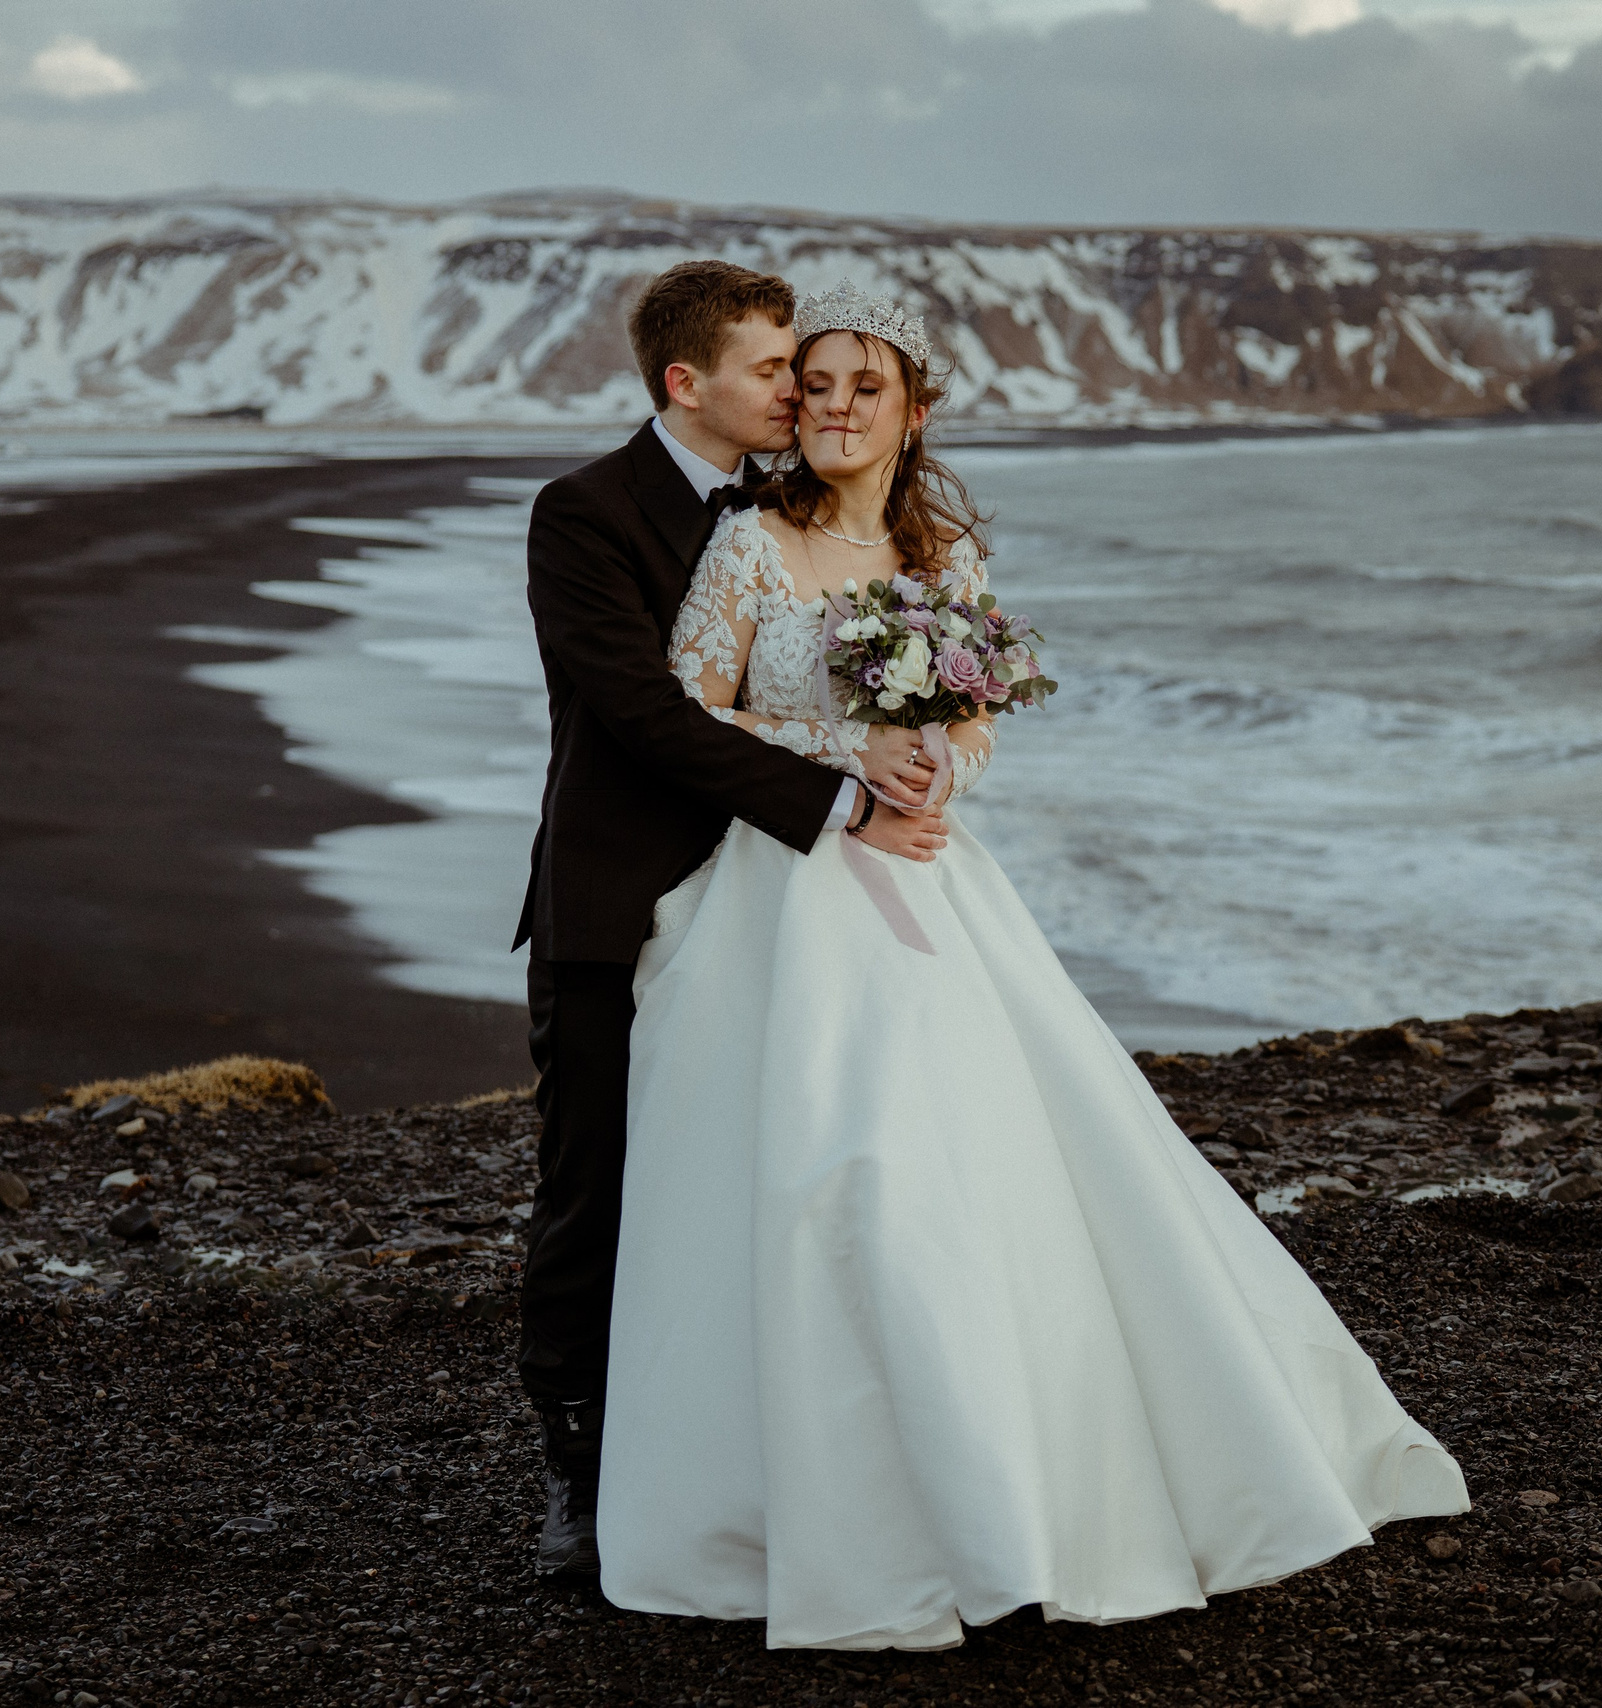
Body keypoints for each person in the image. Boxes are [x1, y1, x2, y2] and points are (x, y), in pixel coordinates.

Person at [595, 283, 1471, 1650]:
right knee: (841, 1168)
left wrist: (941, 764)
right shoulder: (749, 547)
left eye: (859, 387)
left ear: (913, 410)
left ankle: (1028, 1473)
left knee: (987, 1166)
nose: (829, 406)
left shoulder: (946, 566)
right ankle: (833, 1508)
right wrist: (845, 757)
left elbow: (979, 724)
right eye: (811, 384)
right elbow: (694, 704)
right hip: (789, 897)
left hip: (933, 889)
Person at [514, 262, 947, 1579]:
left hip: (791, 916)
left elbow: (899, 661)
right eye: (773, 369)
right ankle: (582, 1478)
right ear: (682, 383)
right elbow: (645, 714)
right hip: (623, 904)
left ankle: (774, 1459)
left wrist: (926, 760)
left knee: (789, 1187)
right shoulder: (582, 515)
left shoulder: (799, 509)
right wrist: (841, 800)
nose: (795, 389)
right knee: (601, 1191)